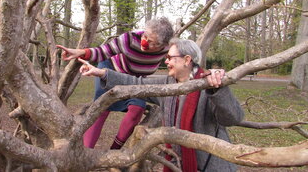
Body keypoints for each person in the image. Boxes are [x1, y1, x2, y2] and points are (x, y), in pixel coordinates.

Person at [78, 38, 244, 172]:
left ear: (187, 60)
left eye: (170, 58)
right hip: (177, 164)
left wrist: (219, 90)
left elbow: (233, 118)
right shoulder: (167, 84)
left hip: (212, 166)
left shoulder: (208, 83)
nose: (166, 61)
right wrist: (101, 73)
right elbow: (136, 83)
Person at [57, 17, 174, 149]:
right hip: (111, 70)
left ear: (162, 45)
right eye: (145, 36)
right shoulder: (129, 39)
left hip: (135, 80)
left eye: (151, 42)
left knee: (137, 109)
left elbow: (184, 58)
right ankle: (86, 150)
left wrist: (198, 73)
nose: (144, 42)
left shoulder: (169, 49)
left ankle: (114, 150)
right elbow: (102, 52)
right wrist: (79, 52)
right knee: (102, 108)